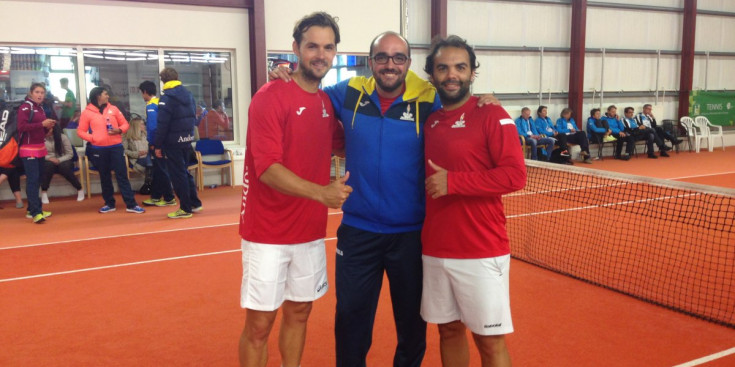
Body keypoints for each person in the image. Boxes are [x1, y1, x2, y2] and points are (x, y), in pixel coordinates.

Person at [270, 31, 499, 367]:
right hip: (358, 232)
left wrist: (484, 102)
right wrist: (284, 72)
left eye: (398, 58)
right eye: (382, 57)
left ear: (407, 63)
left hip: (412, 235)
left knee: (411, 325)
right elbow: (307, 88)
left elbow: (460, 106)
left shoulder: (428, 97)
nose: (389, 64)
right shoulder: (348, 92)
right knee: (350, 320)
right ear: (370, 61)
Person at [238, 12, 350, 367]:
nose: (321, 54)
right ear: (296, 49)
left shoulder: (327, 102)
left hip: (309, 232)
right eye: (312, 46)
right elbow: (267, 169)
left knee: (300, 313)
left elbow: (344, 144)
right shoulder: (270, 96)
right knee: (259, 324)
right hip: (267, 233)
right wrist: (322, 194)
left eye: (328, 47)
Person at [422, 35, 526, 367]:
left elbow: (514, 176)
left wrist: (454, 182)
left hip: (481, 250)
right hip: (435, 249)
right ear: (432, 75)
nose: (451, 74)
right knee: (448, 332)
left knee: (489, 341)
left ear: (472, 73)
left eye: (460, 67)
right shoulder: (432, 120)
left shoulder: (492, 114)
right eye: (443, 68)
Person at [77, 86, 145, 214]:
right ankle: (109, 203)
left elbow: (125, 124)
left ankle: (131, 204)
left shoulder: (113, 109)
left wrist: (119, 130)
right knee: (104, 177)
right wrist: (93, 138)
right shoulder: (87, 113)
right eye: (105, 94)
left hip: (116, 148)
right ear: (98, 96)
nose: (108, 96)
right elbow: (80, 131)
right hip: (99, 149)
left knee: (122, 176)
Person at [153, 67, 202, 219]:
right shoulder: (188, 95)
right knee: (185, 172)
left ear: (163, 81)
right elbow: (193, 118)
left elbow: (162, 124)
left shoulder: (166, 98)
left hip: (172, 142)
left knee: (178, 175)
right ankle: (194, 203)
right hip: (187, 139)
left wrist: (157, 145)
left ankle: (185, 208)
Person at [17, 82, 56, 223]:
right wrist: (42, 125)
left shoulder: (40, 109)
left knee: (38, 179)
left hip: (40, 148)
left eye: (42, 93)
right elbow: (22, 127)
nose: (40, 95)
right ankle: (35, 213)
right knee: (33, 180)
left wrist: (48, 128)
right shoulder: (25, 107)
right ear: (31, 93)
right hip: (28, 150)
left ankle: (33, 208)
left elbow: (39, 129)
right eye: (37, 92)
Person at [139, 80, 176, 207]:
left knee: (161, 169)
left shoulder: (151, 106)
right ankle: (155, 196)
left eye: (141, 93)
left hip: (157, 142)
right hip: (164, 140)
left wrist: (154, 144)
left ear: (145, 92)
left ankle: (169, 197)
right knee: (158, 170)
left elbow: (154, 127)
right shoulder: (160, 102)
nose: (142, 96)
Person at [41, 124, 84, 203]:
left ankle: (79, 189)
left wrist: (59, 160)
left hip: (63, 160)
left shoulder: (62, 137)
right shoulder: (40, 138)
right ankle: (44, 192)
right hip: (48, 160)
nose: (47, 131)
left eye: (49, 129)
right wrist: (49, 158)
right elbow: (39, 153)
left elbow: (70, 154)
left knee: (64, 167)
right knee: (47, 167)